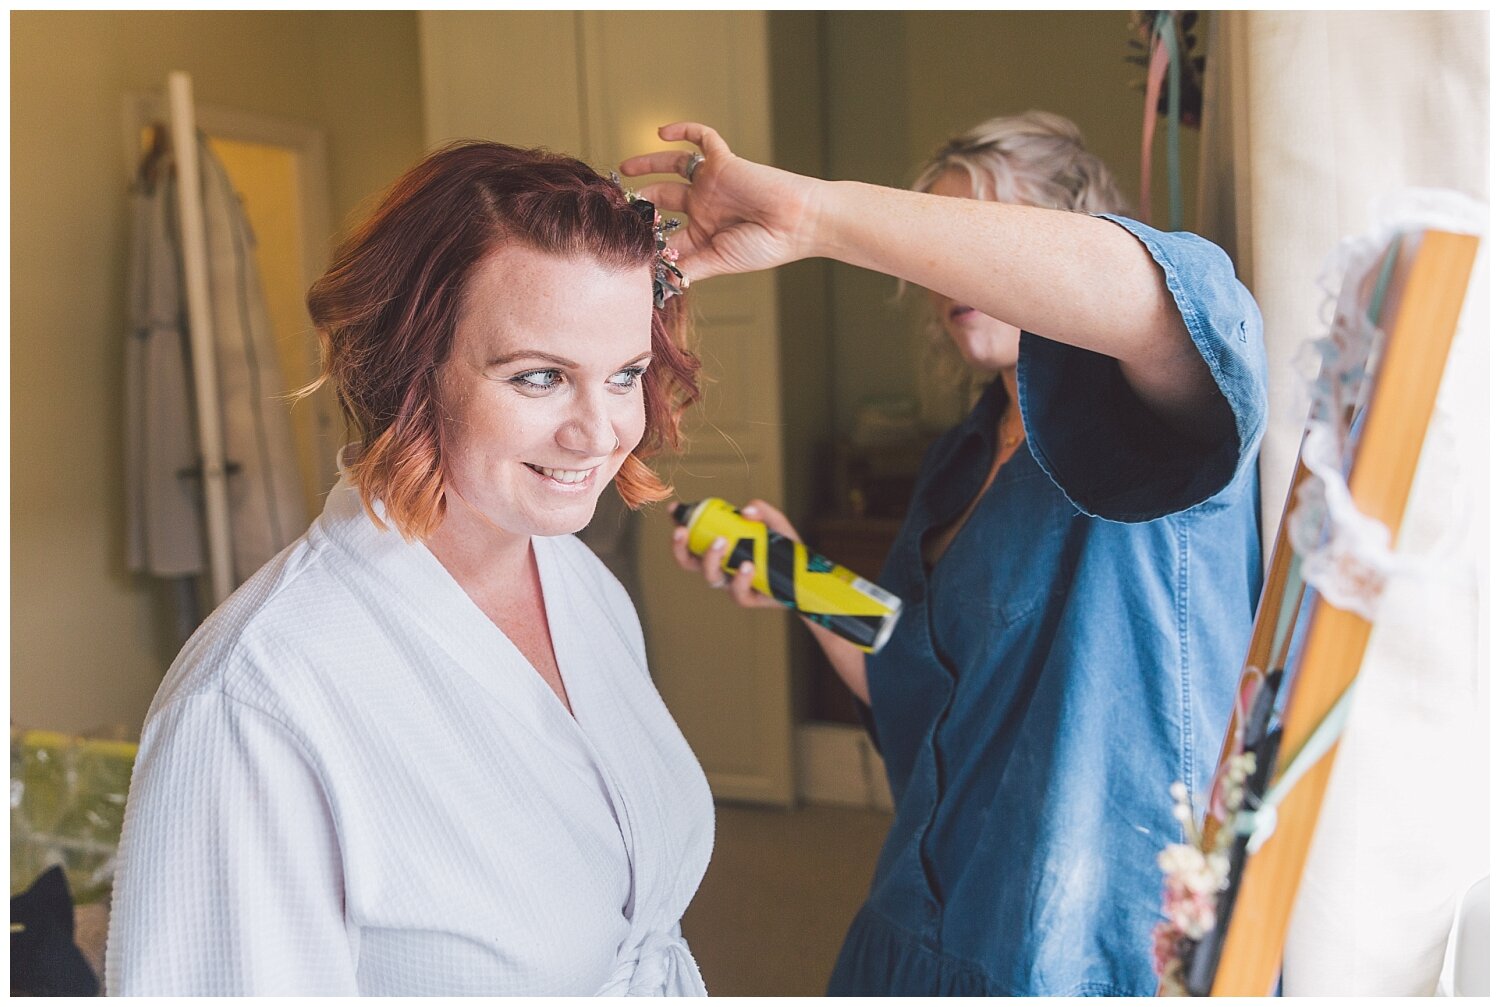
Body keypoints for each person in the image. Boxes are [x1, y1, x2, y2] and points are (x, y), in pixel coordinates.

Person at [622, 112, 1266, 996]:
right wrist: (798, 577)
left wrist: (814, 216)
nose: (946, 276)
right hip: (930, 915)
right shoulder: (962, 455)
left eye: (969, 239)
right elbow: (913, 677)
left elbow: (1155, 291)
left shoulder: (1147, 418)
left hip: (1086, 946)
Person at [106, 142, 714, 996]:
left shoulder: (582, 585)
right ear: (407, 366)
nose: (600, 431)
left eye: (625, 375)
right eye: (539, 377)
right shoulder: (254, 701)